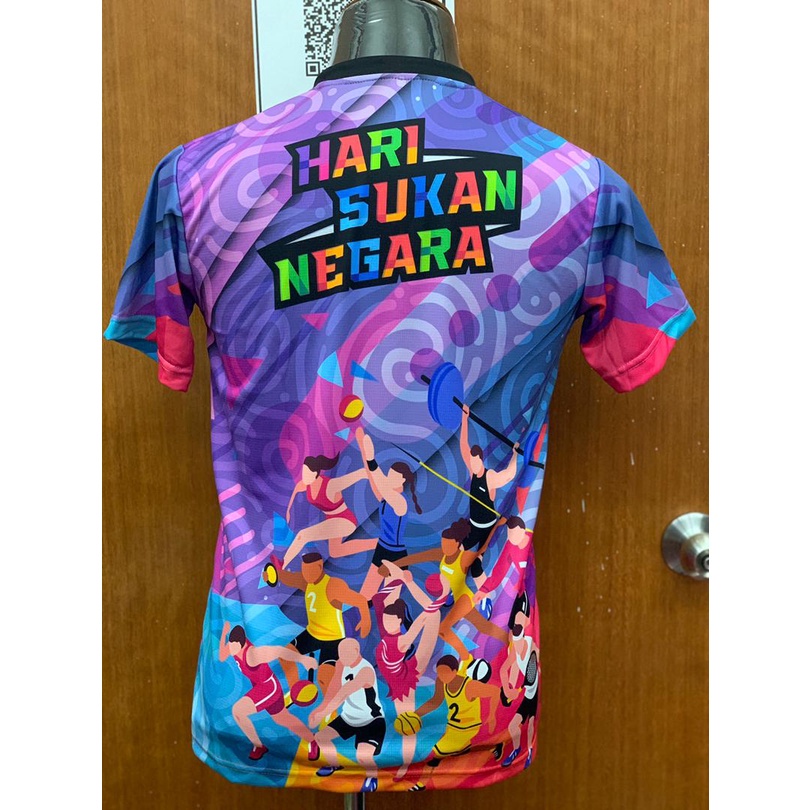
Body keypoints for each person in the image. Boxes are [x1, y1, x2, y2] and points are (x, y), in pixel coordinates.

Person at [382, 518, 509, 661]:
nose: (445, 547)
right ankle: (507, 639)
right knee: (483, 626)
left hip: (465, 597)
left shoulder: (463, 558)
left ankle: (466, 658)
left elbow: (483, 548)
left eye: (448, 544)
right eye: (443, 543)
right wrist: (394, 565)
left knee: (443, 629)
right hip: (455, 596)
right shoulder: (442, 555)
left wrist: (497, 525)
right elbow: (417, 558)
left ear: (457, 544)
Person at [370, 568, 449, 779]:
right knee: (405, 724)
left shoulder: (403, 641)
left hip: (406, 678)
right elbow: (384, 602)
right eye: (386, 619)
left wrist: (411, 584)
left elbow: (427, 615)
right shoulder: (386, 632)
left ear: (399, 621)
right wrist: (397, 579)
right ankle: (403, 763)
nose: (387, 623)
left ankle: (405, 766)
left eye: (391, 620)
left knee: (408, 725)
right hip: (395, 680)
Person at [219, 622, 320, 763]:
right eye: (230, 645)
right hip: (260, 686)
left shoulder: (254, 654)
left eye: (233, 646)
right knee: (282, 718)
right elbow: (222, 656)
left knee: (238, 711)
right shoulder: (234, 647)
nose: (231, 650)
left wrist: (303, 659)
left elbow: (278, 651)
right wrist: (224, 633)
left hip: (268, 688)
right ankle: (312, 740)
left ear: (241, 644)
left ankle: (258, 746)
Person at [273, 551, 371, 693]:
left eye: (309, 571)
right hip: (312, 634)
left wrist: (366, 620)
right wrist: (274, 573)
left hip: (333, 639)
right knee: (285, 656)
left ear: (319, 567)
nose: (306, 575)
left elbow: (360, 600)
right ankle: (297, 690)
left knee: (324, 679)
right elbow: (289, 578)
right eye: (304, 570)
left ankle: (332, 706)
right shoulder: (306, 581)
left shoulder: (333, 585)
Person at [406, 654, 502, 791]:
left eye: (445, 672)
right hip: (452, 727)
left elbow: (495, 691)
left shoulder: (469, 686)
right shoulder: (442, 681)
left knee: (436, 754)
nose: (441, 675)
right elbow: (435, 702)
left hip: (468, 727)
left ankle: (421, 784)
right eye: (439, 672)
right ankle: (493, 747)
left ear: (455, 671)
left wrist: (492, 716)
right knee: (458, 752)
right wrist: (416, 715)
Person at [353, 426, 423, 600]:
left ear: (403, 480)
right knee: (364, 598)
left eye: (393, 476)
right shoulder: (386, 497)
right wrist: (363, 448)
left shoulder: (400, 501)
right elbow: (374, 479)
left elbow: (379, 481)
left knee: (389, 605)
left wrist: (371, 458)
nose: (388, 478)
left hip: (396, 556)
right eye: (388, 475)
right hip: (382, 549)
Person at [309, 638, 387, 793]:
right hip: (348, 717)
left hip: (371, 720)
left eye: (345, 653)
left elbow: (344, 692)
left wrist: (324, 713)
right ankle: (334, 764)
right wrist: (320, 709)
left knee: (363, 757)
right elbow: (335, 688)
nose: (341, 657)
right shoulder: (341, 664)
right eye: (340, 654)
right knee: (321, 737)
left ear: (356, 652)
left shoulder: (365, 670)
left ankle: (372, 778)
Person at [458, 404, 519, 588]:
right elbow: (463, 446)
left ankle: (485, 594)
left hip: (488, 529)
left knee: (478, 567)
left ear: (481, 460)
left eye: (476, 462)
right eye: (472, 461)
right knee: (459, 554)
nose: (473, 465)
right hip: (474, 526)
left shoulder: (489, 476)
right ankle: (453, 589)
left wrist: (515, 455)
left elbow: (509, 475)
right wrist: (464, 419)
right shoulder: (473, 472)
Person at [283, 451, 377, 568]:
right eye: (303, 472)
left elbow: (360, 474)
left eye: (307, 473)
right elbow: (296, 489)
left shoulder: (331, 486)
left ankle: (283, 564)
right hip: (332, 521)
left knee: (304, 535)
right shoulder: (306, 484)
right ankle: (376, 543)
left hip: (345, 521)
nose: (304, 476)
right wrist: (288, 511)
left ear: (315, 474)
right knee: (335, 551)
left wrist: (379, 480)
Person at [496, 615, 540, 768]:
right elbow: (504, 670)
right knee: (513, 726)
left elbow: (535, 662)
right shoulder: (515, 649)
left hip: (533, 694)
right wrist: (509, 690)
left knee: (530, 724)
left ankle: (528, 751)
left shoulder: (530, 645)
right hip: (526, 693)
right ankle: (516, 749)